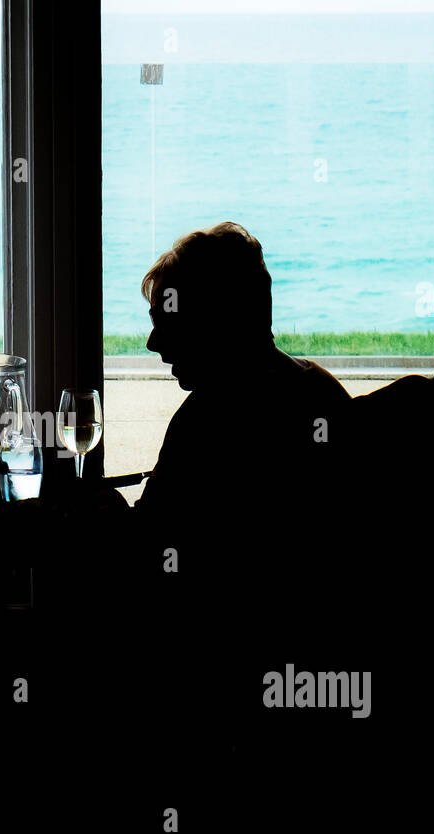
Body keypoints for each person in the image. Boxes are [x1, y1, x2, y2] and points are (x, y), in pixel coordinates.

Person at [134, 222, 351, 575]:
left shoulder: (205, 421)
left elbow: (149, 541)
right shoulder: (322, 391)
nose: (153, 342)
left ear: (214, 321)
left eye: (167, 322)